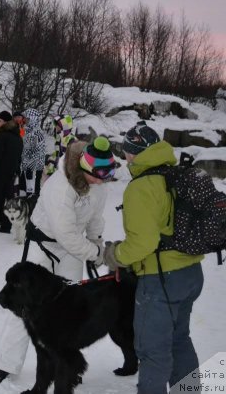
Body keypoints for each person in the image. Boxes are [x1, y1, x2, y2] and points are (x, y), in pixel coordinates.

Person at [0, 137, 116, 383]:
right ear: (85, 167)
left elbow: (95, 219)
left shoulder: (99, 185)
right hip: (43, 245)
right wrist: (96, 254)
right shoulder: (61, 185)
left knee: (69, 308)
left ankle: (65, 363)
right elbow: (65, 233)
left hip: (73, 248)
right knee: (23, 306)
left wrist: (97, 243)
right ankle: (5, 362)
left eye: (107, 174)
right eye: (99, 174)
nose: (102, 180)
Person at [103, 122, 204, 394]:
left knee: (152, 350)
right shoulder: (177, 174)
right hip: (191, 273)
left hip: (161, 280)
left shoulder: (142, 186)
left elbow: (143, 243)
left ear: (133, 153)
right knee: (179, 339)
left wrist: (114, 255)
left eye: (126, 151)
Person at [20, 108, 46, 196]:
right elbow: (21, 141)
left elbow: (37, 152)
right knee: (26, 190)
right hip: (26, 165)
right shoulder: (26, 130)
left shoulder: (37, 133)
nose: (25, 120)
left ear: (32, 119)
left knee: (33, 191)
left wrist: (29, 166)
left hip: (35, 168)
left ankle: (33, 204)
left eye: (26, 118)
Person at [44, 114, 76, 180]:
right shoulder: (59, 137)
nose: (56, 127)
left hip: (65, 174)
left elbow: (71, 161)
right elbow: (57, 153)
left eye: (58, 125)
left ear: (64, 127)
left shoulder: (71, 141)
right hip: (57, 169)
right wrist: (49, 160)